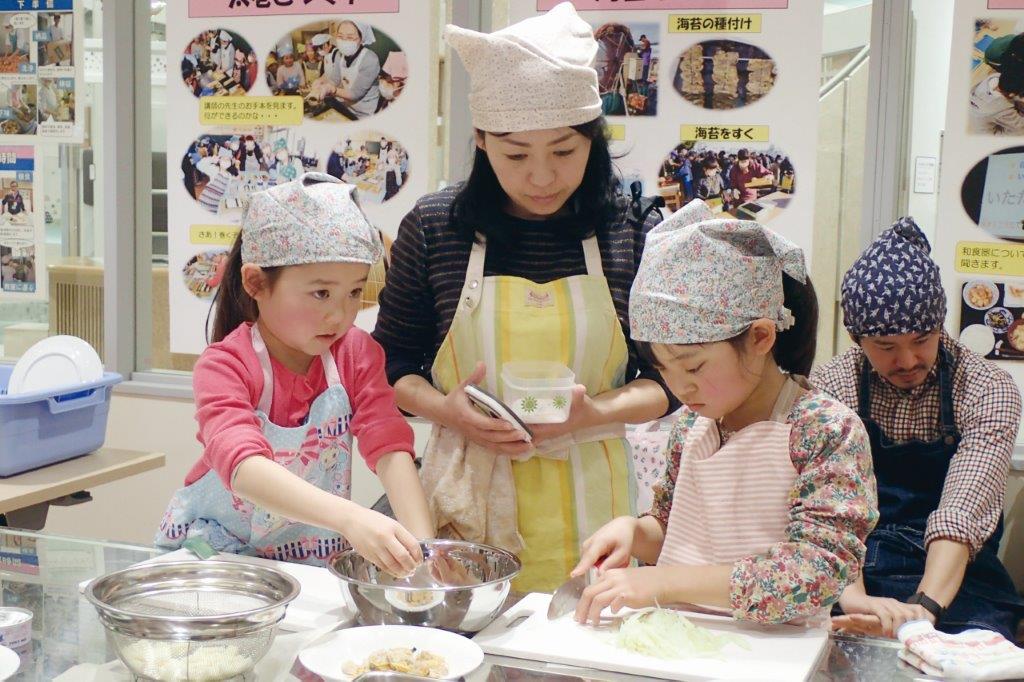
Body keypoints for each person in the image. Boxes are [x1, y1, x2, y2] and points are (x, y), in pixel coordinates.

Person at [373, 2, 678, 592]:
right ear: (482, 141)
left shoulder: (630, 228)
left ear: (593, 137)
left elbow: (668, 381)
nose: (541, 177)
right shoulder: (438, 227)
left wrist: (594, 415)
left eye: (564, 151)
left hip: (598, 510)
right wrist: (444, 410)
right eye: (516, 154)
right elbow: (392, 367)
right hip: (464, 507)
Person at [573, 199, 877, 626]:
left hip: (775, 654)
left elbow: (816, 572)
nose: (681, 388)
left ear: (759, 337)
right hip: (682, 641)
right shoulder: (691, 426)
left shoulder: (826, 430)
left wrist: (663, 583)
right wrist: (635, 533)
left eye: (694, 366)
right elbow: (676, 530)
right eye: (664, 369)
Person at [156, 173, 434, 570]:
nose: (339, 315)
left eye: (354, 292)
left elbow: (388, 445)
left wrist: (425, 551)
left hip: (306, 563)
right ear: (255, 283)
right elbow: (243, 466)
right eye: (321, 293)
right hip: (217, 560)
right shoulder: (226, 365)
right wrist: (350, 517)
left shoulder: (355, 355)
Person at [811, 218, 1024, 640]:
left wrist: (922, 611)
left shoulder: (985, 388)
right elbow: (829, 508)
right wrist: (854, 598)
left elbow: (962, 509)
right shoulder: (832, 385)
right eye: (886, 347)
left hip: (955, 572)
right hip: (856, 561)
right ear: (856, 339)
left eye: (923, 339)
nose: (907, 360)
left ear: (940, 324)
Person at [310, 22, 381, 120]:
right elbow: (334, 80)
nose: (344, 41)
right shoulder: (340, 55)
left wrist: (331, 89)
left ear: (361, 39)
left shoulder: (369, 59)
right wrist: (320, 83)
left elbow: (355, 94)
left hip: (365, 114)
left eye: (350, 37)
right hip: (347, 107)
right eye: (340, 36)